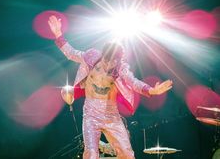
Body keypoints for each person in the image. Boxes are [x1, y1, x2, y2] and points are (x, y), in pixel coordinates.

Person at [48, 15, 173, 159]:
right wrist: (58, 34)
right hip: (91, 113)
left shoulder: (121, 68)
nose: (108, 66)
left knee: (127, 154)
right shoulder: (91, 57)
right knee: (91, 154)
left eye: (113, 63)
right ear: (103, 56)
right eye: (107, 61)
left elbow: (133, 82)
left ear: (117, 61)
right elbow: (71, 53)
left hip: (111, 115)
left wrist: (151, 90)